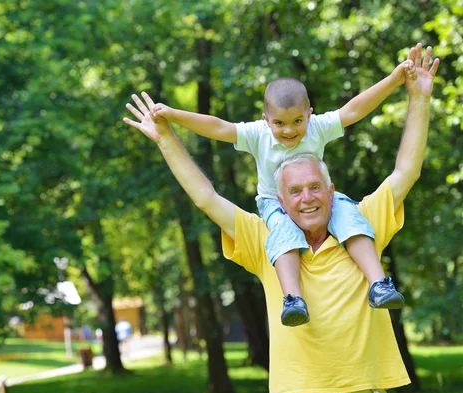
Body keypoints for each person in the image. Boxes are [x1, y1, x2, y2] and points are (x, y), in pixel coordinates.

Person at [123, 43, 438, 393]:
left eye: (315, 187)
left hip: (367, 390)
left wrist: (418, 97)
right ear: (280, 200)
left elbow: (406, 170)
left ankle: (379, 284)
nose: (307, 198)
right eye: (296, 191)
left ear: (331, 191)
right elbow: (206, 197)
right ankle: (294, 300)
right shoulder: (266, 239)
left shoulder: (360, 226)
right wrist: (167, 137)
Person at [150, 54, 415, 327]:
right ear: (266, 120)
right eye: (279, 124)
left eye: (297, 122)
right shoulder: (257, 134)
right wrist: (173, 116)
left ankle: (378, 284)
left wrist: (394, 80)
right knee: (284, 234)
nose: (289, 130)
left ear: (309, 115)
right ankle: (293, 299)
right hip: (273, 203)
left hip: (320, 197)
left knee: (351, 220)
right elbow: (218, 126)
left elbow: (354, 110)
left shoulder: (318, 127)